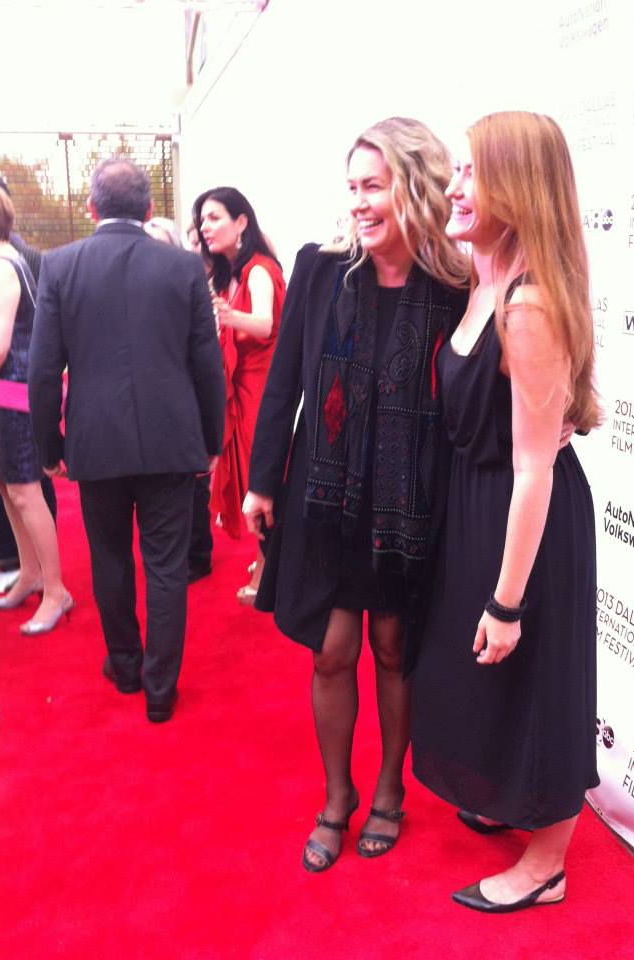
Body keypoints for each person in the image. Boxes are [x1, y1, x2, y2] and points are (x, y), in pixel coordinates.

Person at [243, 117, 469, 871]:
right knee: (332, 651)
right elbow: (285, 383)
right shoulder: (319, 268)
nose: (360, 204)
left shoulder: (453, 285)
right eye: (353, 188)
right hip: (328, 495)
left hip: (412, 501)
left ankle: (387, 794)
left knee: (393, 647)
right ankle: (335, 796)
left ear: (415, 187)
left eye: (374, 187)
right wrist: (260, 480)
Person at [411, 111, 602, 913]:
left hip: (525, 516)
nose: (453, 188)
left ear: (517, 189)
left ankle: (547, 864)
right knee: (483, 673)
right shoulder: (483, 278)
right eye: (455, 171)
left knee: (537, 680)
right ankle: (504, 799)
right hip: (477, 506)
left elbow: (533, 467)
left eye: (471, 173)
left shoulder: (525, 306)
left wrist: (507, 599)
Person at [28, 158, 225, 723]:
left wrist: (50, 448)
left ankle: (125, 664)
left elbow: (43, 372)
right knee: (166, 566)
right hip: (170, 441)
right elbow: (206, 365)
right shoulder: (185, 268)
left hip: (95, 442)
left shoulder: (60, 267)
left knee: (110, 558)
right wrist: (211, 438)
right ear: (147, 210)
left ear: (91, 209)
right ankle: (161, 690)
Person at [193, 187, 285, 603]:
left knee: (259, 478)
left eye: (214, 218)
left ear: (241, 221)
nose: (205, 227)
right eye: (202, 221)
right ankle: (269, 559)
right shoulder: (228, 274)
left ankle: (270, 567)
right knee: (253, 477)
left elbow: (266, 325)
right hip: (241, 385)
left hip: (260, 388)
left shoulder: (259, 269)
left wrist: (227, 316)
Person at [0, 184, 72, 633]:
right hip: (3, 398)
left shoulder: (3, 268)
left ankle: (56, 590)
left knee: (25, 492)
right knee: (9, 489)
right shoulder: (2, 262)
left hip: (13, 399)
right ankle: (30, 573)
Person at [144, 215, 215, 585]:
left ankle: (199, 554)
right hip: (154, 404)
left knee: (194, 483)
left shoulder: (189, 286)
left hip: (186, 400)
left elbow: (205, 356)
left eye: (160, 242)